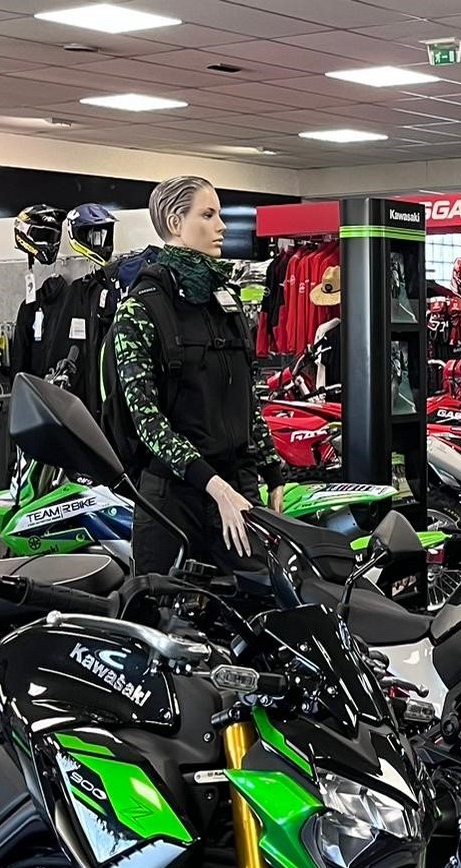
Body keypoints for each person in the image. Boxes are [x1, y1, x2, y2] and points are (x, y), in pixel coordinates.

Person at [112, 175, 282, 572]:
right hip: (173, 499)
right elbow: (147, 420)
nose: (221, 226)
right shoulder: (139, 310)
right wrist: (212, 485)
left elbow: (246, 399)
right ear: (175, 223)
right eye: (207, 215)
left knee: (259, 600)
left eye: (219, 215)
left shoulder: (226, 301)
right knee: (165, 607)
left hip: (237, 488)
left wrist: (273, 471)